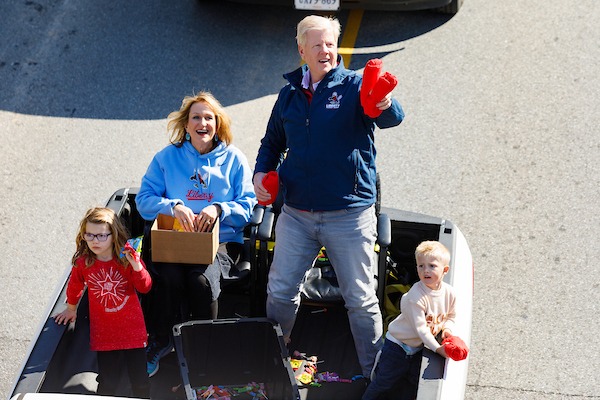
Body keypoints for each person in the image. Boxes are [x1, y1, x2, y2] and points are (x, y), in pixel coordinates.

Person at [253, 15, 405, 378]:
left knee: (361, 299)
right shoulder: (288, 94)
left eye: (331, 44)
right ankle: (275, 358)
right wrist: (261, 172)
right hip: (297, 215)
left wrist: (384, 102)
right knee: (280, 291)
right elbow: (272, 142)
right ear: (302, 50)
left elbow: (392, 117)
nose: (325, 51)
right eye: (317, 44)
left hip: (349, 216)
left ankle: (373, 374)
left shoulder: (354, 85)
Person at [136, 91, 257, 377]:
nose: (202, 123)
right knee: (169, 277)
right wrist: (172, 206)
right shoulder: (167, 158)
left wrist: (219, 209)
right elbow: (144, 201)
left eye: (208, 117)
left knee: (200, 280)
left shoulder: (234, 159)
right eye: (196, 118)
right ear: (186, 125)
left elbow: (249, 207)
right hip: (177, 239)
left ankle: (203, 348)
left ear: (218, 124)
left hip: (223, 241)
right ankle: (161, 341)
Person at [54, 207, 152, 398]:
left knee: (140, 381)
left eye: (101, 236)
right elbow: (75, 286)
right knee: (107, 382)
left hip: (132, 331)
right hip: (104, 334)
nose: (94, 241)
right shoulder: (84, 262)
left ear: (114, 235)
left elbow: (145, 287)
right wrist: (71, 309)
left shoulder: (126, 259)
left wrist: (137, 265)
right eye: (89, 235)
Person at [361, 241, 456, 400]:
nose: (425, 270)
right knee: (384, 381)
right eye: (421, 266)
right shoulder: (415, 297)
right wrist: (438, 349)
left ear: (445, 270)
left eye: (432, 266)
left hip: (418, 347)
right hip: (397, 346)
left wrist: (447, 329)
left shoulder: (449, 293)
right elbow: (421, 329)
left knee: (412, 381)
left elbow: (451, 316)